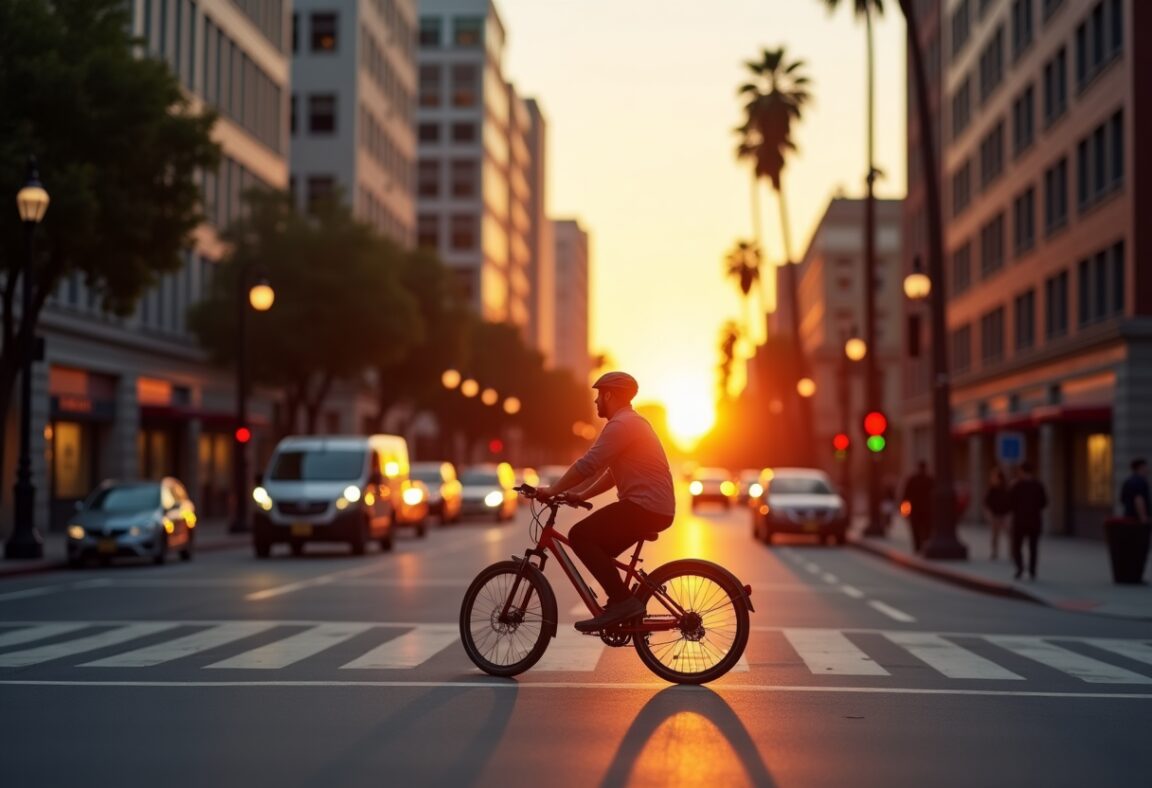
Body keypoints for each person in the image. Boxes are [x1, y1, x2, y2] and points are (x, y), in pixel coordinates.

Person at [535, 371, 676, 632]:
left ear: (610, 395)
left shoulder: (622, 425)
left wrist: (553, 489)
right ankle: (620, 601)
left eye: (599, 395)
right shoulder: (630, 424)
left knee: (579, 536)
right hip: (653, 507)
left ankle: (623, 602)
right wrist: (581, 495)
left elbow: (588, 465)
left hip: (645, 506)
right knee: (598, 548)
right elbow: (612, 473)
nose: (596, 401)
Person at [1008, 462, 1048, 580]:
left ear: (1021, 471)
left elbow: (1010, 502)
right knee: (1033, 547)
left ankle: (1020, 568)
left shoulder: (1016, 485)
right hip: (1034, 520)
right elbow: (1044, 502)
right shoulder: (1038, 485)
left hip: (1019, 521)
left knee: (1017, 546)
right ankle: (1032, 570)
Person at [901, 461, 933, 553]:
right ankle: (922, 545)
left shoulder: (913, 479)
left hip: (917, 509)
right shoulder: (929, 480)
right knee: (924, 529)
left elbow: (905, 497)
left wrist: (905, 511)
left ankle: (918, 546)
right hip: (925, 510)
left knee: (916, 528)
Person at [983, 466, 1011, 560]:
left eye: (994, 477)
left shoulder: (1006, 488)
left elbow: (1011, 502)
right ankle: (994, 552)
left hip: (1005, 514)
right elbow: (986, 502)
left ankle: (1012, 553)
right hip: (995, 515)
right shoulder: (991, 489)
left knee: (1009, 534)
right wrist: (989, 513)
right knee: (995, 535)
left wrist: (1010, 514)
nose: (993, 479)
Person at [1120, 457, 1150, 524]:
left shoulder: (1128, 482)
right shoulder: (1140, 482)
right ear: (1141, 467)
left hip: (1128, 518)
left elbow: (1122, 500)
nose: (1148, 470)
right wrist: (1143, 518)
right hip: (1137, 521)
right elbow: (1138, 499)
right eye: (1146, 467)